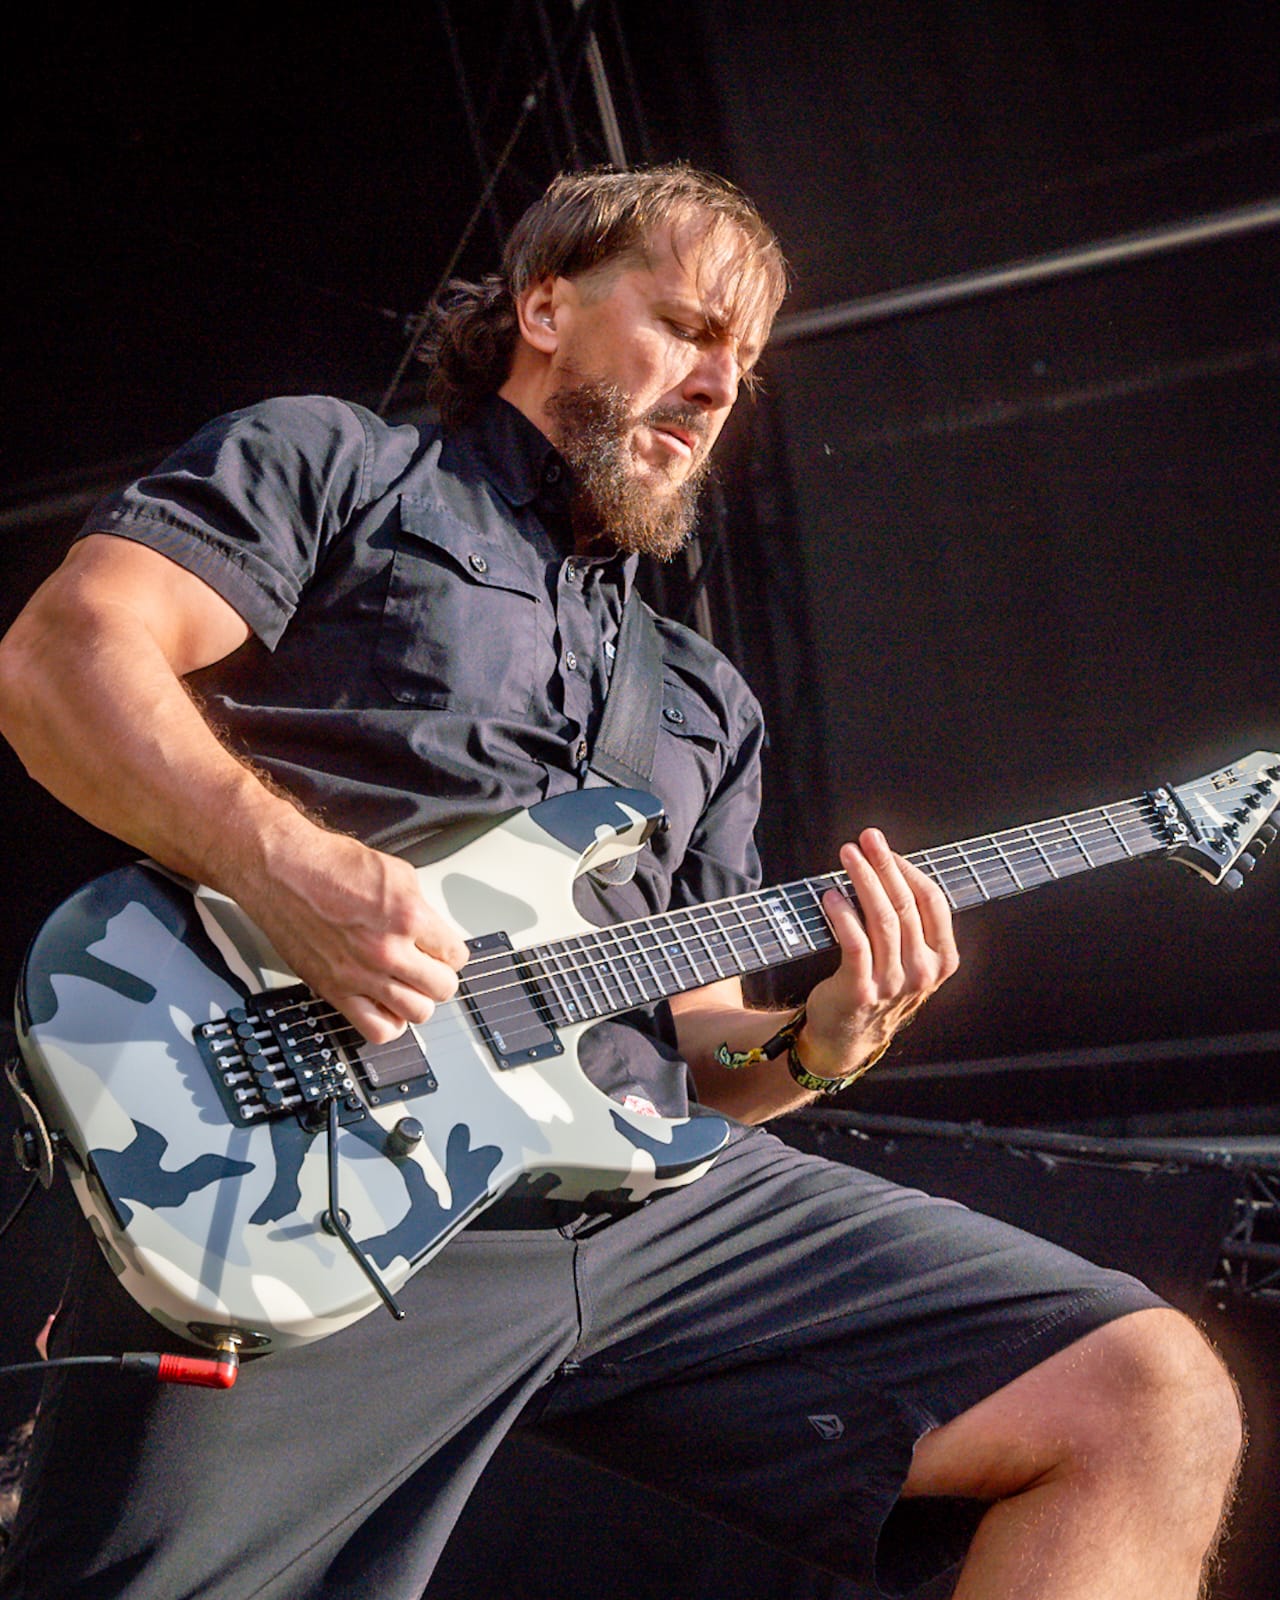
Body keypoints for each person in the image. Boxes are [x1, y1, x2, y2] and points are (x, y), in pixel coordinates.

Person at [0, 164, 1242, 1600]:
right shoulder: (336, 467)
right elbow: (63, 660)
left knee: (1140, 1396)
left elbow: (699, 1049)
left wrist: (817, 1044)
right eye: (691, 328)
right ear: (545, 306)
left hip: (642, 1208)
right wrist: (288, 865)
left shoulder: (701, 697)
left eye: (744, 364)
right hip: (307, 1182)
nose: (720, 388)